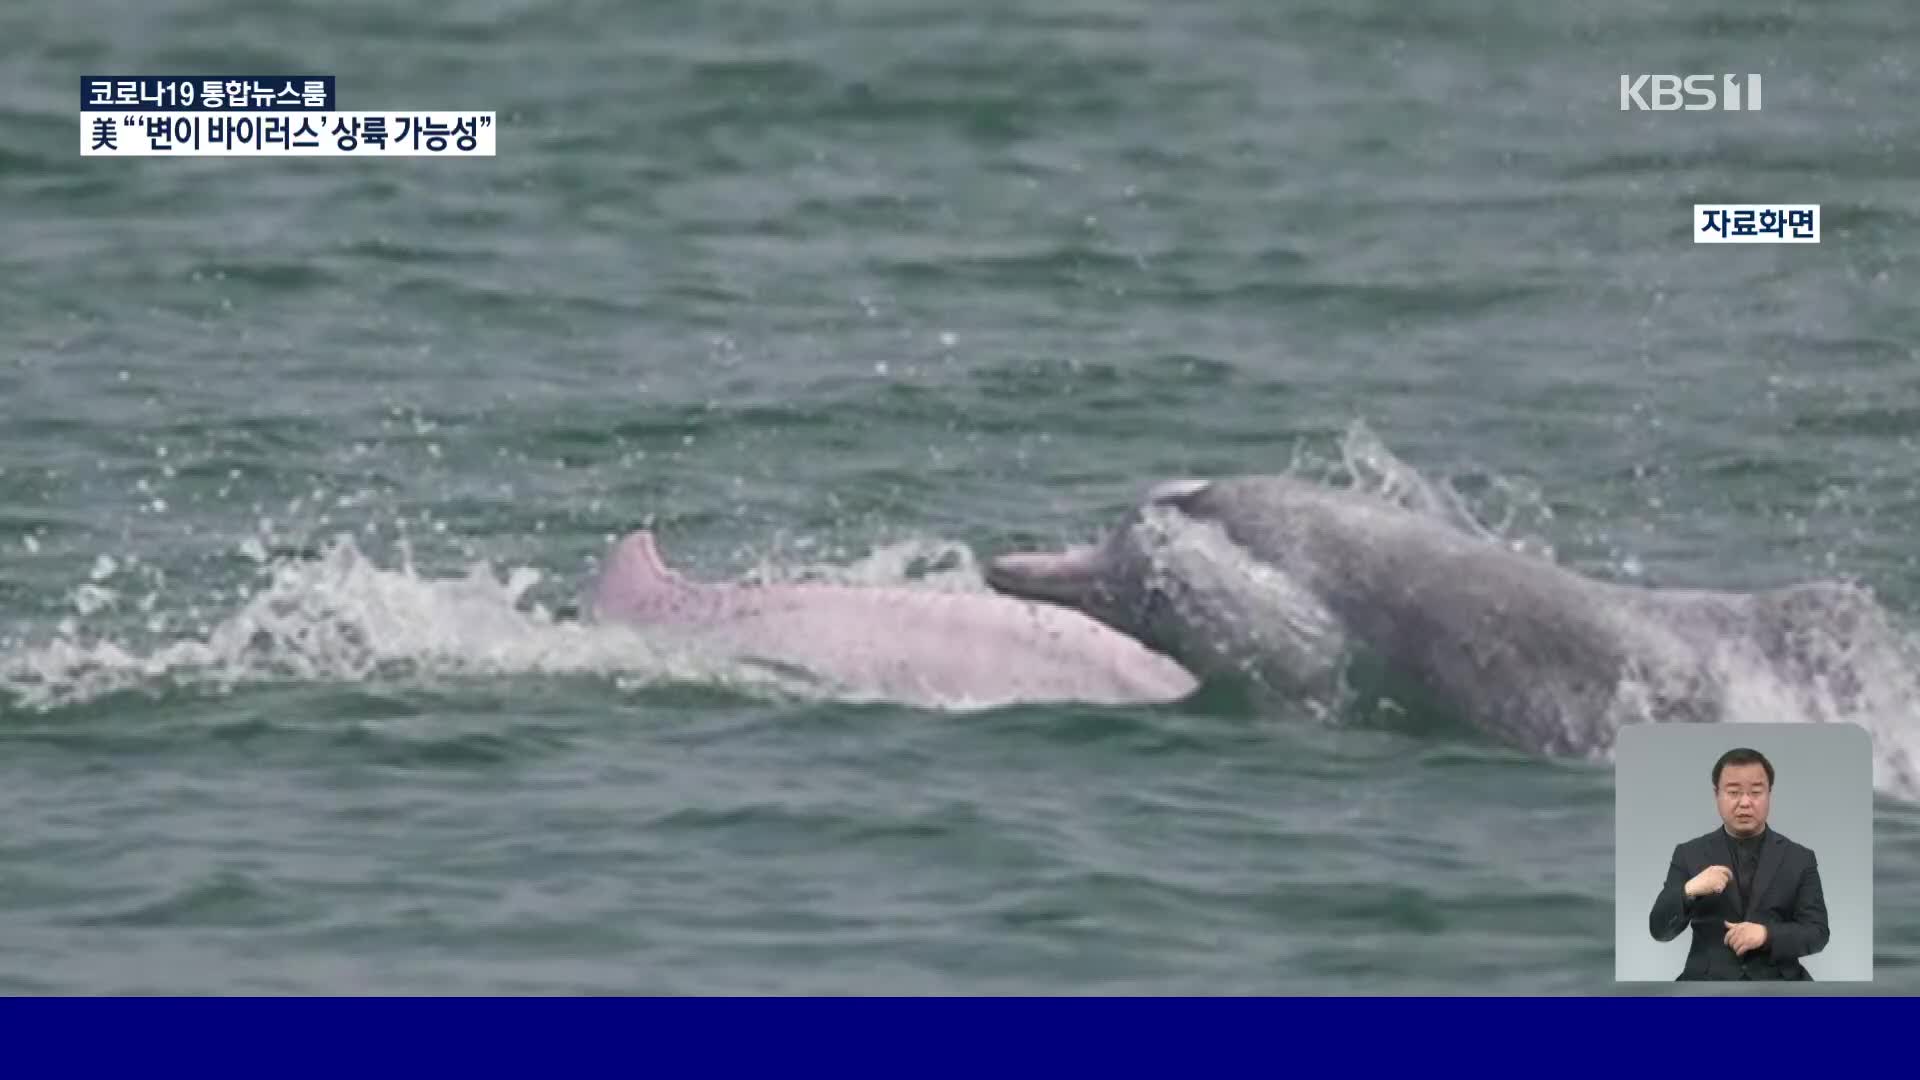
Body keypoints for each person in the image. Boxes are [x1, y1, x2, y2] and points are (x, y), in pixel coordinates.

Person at [1647, 747, 1830, 980]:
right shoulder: (1688, 854)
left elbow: (1817, 933)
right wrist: (1689, 890)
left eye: (1755, 792)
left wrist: (1766, 935)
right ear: (1717, 795)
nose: (1745, 802)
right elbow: (1660, 930)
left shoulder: (1800, 858)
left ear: (1769, 794)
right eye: (1733, 792)